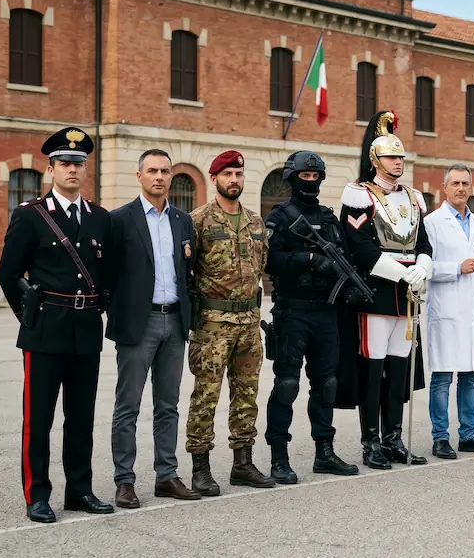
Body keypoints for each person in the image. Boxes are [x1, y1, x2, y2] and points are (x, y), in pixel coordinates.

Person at [0, 127, 114, 523]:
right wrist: (28, 316)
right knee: (39, 419)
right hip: (45, 331)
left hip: (85, 332)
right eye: (65, 163)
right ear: (51, 168)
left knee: (80, 418)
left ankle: (79, 490)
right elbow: (8, 273)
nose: (73, 170)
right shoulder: (29, 216)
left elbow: (108, 274)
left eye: (79, 164)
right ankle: (37, 495)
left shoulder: (100, 218)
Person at [105, 149, 199, 509]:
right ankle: (125, 481)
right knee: (127, 405)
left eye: (165, 171)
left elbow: (187, 273)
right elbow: (108, 275)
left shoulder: (181, 220)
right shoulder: (120, 220)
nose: (159, 177)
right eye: (152, 171)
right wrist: (120, 313)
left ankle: (166, 475)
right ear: (139, 175)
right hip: (137, 324)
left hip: (174, 322)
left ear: (171, 177)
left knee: (168, 405)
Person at [338, 110, 431, 469]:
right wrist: (401, 274)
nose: (398, 162)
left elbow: (423, 241)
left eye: (401, 157)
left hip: (406, 297)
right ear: (375, 159)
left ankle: (393, 436)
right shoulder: (359, 195)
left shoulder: (413, 197)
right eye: (392, 157)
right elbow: (360, 247)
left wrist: (423, 267)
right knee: (373, 369)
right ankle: (370, 441)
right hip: (376, 292)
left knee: (399, 368)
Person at [262, 151, 359, 483]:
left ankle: (325, 452)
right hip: (293, 311)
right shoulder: (279, 216)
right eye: (304, 176)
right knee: (287, 385)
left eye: (315, 176)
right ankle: (278, 457)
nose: (311, 182)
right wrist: (308, 258)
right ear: (292, 178)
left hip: (326, 313)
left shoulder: (330, 219)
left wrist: (346, 282)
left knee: (326, 385)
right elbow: (271, 260)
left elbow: (345, 257)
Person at [185, 150, 275, 495]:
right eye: (227, 174)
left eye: (238, 173)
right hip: (212, 324)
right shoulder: (198, 221)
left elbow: (261, 266)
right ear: (215, 179)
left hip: (250, 321)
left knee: (247, 395)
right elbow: (187, 274)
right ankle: (200, 467)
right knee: (206, 396)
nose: (234, 180)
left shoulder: (256, 222)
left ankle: (243, 463)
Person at [423, 164, 474, 459]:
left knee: (471, 376)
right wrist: (456, 268)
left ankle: (468, 434)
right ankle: (440, 436)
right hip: (445, 311)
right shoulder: (432, 223)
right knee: (442, 377)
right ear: (445, 188)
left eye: (465, 183)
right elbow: (425, 266)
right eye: (455, 183)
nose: (460, 188)